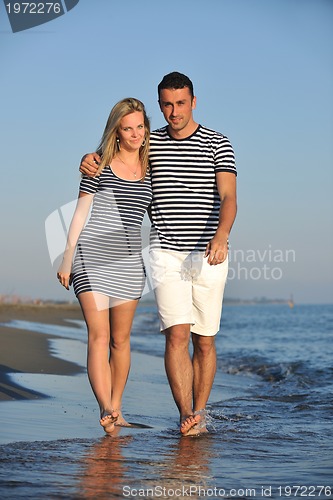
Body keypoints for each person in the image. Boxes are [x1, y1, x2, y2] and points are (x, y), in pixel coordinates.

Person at [80, 72, 237, 436]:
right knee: (177, 336)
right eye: (166, 103)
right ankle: (186, 415)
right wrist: (88, 160)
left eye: (181, 103)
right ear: (159, 104)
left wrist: (222, 234)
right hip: (166, 254)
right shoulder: (152, 144)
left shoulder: (219, 143)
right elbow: (117, 153)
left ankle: (200, 410)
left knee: (206, 339)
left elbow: (229, 197)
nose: (174, 111)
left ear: (193, 102)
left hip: (210, 253)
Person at [57, 98, 152, 434]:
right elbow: (80, 212)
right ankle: (106, 409)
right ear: (116, 131)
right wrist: (67, 257)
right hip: (92, 259)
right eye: (128, 128)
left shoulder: (152, 170)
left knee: (121, 341)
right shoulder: (97, 165)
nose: (135, 134)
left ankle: (118, 408)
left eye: (140, 126)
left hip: (129, 264)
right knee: (99, 337)